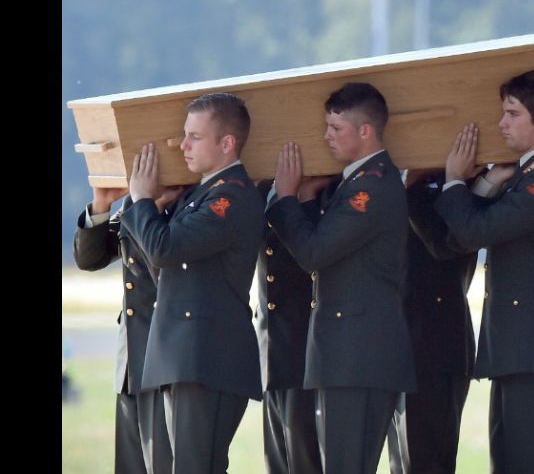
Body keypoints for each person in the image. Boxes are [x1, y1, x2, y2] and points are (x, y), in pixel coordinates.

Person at [434, 69, 534, 474]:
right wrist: (485, 184)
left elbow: (473, 231)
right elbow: (457, 240)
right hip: (518, 350)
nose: (501, 124)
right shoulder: (527, 176)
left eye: (512, 114)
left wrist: (454, 180)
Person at [266, 82, 416, 474]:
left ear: (365, 131)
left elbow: (315, 252)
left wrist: (284, 199)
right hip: (351, 356)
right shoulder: (356, 183)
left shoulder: (370, 187)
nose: (326, 137)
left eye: (336, 128)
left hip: (358, 357)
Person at [121, 92, 264, 473]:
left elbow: (165, 248)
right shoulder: (201, 196)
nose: (182, 145)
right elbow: (164, 269)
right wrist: (152, 207)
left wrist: (141, 202)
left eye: (194, 137)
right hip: (188, 356)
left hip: (207, 358)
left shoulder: (229, 198)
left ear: (227, 143)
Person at [73, 184, 180, 474]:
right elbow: (90, 259)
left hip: (171, 358)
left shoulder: (196, 199)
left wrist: (148, 210)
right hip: (133, 358)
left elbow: (169, 270)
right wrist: (101, 204)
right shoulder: (139, 199)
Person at [387, 170, 477, 474]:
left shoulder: (463, 188)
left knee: (425, 463)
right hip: (401, 345)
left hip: (435, 346)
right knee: (403, 462)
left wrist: (410, 188)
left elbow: (443, 245)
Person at [255, 178, 326, 474]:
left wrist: (302, 198)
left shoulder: (328, 192)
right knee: (278, 460)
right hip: (273, 348)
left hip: (306, 345)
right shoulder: (257, 190)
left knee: (305, 456)